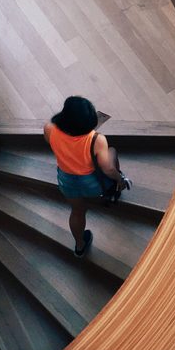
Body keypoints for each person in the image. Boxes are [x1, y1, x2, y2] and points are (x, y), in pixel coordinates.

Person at [44, 96, 131, 257]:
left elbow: (55, 143)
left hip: (66, 180)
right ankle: (117, 189)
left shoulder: (49, 128)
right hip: (92, 184)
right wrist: (120, 180)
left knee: (77, 212)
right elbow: (108, 169)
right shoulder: (97, 140)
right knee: (112, 152)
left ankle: (79, 246)